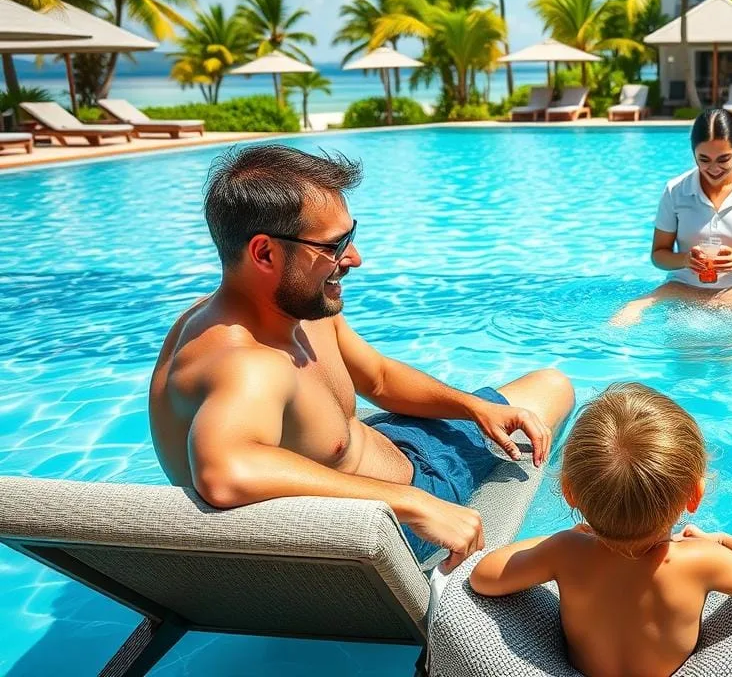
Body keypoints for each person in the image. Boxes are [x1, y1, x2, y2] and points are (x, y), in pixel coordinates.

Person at [148, 144, 575, 571]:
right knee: (554, 389)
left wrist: (474, 407)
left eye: (350, 237)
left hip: (389, 454)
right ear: (264, 253)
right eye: (334, 245)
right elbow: (224, 472)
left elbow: (379, 379)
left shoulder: (283, 309)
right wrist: (417, 503)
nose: (353, 258)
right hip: (399, 514)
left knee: (530, 397)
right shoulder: (246, 364)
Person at [469, 383, 732, 677]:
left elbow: (484, 576)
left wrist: (561, 538)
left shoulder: (565, 552)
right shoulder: (703, 560)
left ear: (569, 491)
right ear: (695, 495)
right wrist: (720, 540)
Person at [610, 108, 732, 328]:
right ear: (693, 153)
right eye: (704, 159)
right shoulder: (675, 190)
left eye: (724, 159)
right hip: (682, 287)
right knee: (623, 319)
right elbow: (658, 256)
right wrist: (684, 260)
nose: (714, 169)